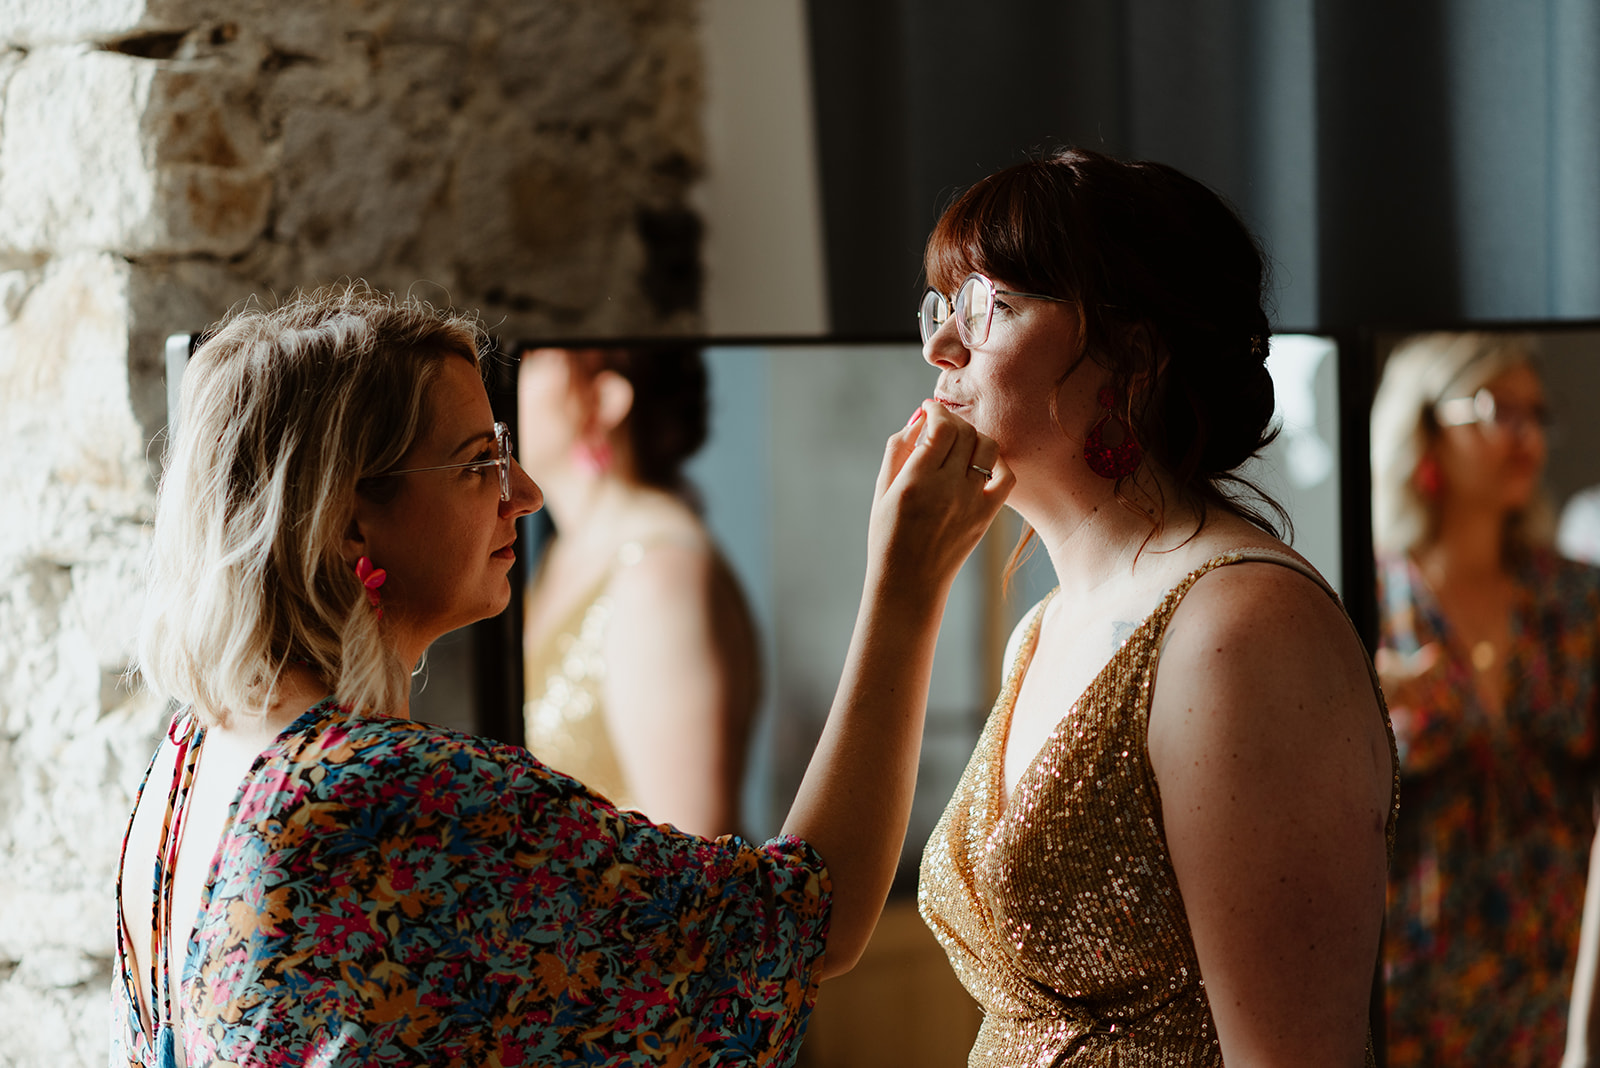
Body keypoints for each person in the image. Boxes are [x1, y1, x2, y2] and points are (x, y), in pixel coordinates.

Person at [112, 284, 1012, 1067]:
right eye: (476, 464)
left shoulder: (186, 761)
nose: (525, 493)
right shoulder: (384, 791)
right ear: (349, 526)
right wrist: (906, 585)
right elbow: (804, 921)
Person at [912, 147, 1398, 1067]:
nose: (942, 346)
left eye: (995, 307)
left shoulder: (1242, 628)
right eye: (945, 306)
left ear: (1131, 357)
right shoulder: (1043, 625)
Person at [1370, 332, 1600, 1067]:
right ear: (1426, 427)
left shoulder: (1577, 598)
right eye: (1500, 410)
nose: (1528, 435)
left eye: (1538, 414)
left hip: (1563, 980)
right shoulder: (1364, 602)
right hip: (1416, 988)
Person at [517, 345, 756, 837]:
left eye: (533, 357)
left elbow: (698, 859)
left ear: (604, 399)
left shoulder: (658, 576)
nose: (498, 378)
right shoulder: (565, 553)